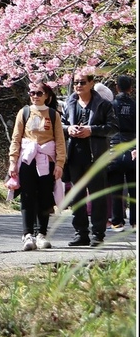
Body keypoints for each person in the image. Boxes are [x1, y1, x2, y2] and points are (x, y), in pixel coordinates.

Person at [61, 67, 118, 247]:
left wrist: (91, 130)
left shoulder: (103, 104)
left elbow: (113, 127)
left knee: (97, 196)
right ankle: (81, 233)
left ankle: (98, 234)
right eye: (76, 82)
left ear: (91, 83)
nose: (78, 85)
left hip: (96, 156)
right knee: (76, 196)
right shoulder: (69, 103)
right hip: (74, 155)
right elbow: (61, 125)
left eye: (82, 82)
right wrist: (68, 129)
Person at [8, 84, 66, 251]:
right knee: (27, 196)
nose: (35, 96)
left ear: (47, 96)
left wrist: (60, 163)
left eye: (39, 93)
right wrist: (13, 161)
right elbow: (16, 138)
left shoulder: (54, 115)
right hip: (27, 159)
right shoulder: (24, 112)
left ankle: (42, 233)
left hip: (47, 159)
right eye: (32, 92)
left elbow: (60, 141)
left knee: (45, 196)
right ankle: (27, 234)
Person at [106, 75, 136, 231]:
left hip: (114, 147)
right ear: (131, 88)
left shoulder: (111, 106)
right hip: (133, 147)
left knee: (116, 187)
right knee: (134, 187)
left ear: (116, 87)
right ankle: (135, 221)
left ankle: (117, 221)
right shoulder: (135, 105)